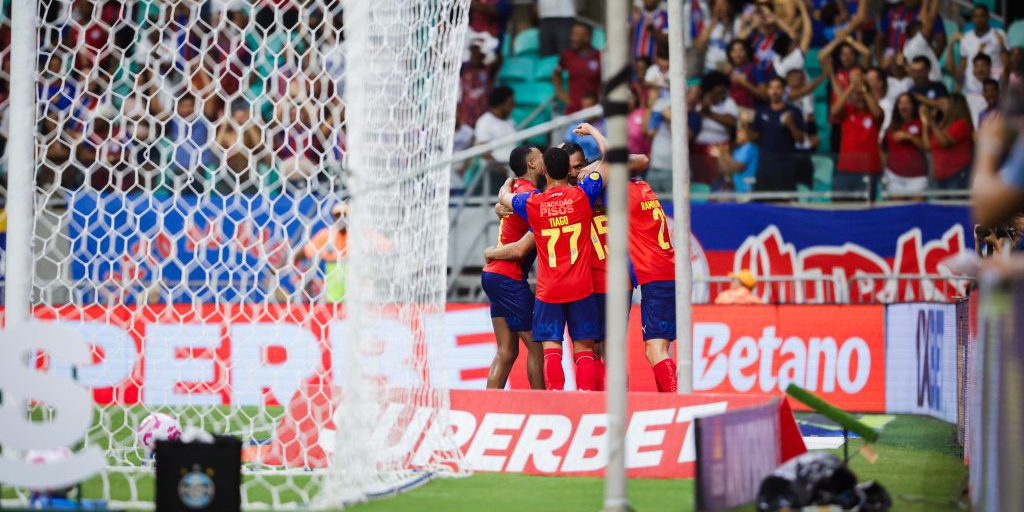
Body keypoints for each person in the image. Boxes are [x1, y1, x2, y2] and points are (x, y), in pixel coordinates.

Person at [497, 147, 605, 391]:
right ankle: (585, 397)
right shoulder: (582, 195)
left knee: (551, 349)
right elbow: (609, 160)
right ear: (569, 170)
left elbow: (505, 197)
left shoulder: (533, 202)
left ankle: (556, 396)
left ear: (544, 171)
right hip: (581, 286)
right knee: (585, 348)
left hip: (549, 289)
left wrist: (506, 185)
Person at [480, 146, 545, 391]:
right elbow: (519, 250)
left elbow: (505, 203)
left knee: (507, 351)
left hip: (493, 278)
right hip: (508, 276)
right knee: (537, 347)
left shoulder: (514, 189)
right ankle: (542, 407)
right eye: (541, 157)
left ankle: (489, 406)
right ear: (531, 163)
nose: (545, 161)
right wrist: (490, 252)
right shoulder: (530, 197)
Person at [626, 168, 680, 393]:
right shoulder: (644, 188)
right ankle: (668, 402)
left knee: (654, 350)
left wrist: (592, 131)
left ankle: (675, 401)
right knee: (662, 348)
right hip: (668, 270)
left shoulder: (623, 192)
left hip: (654, 275)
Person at [831, 70, 884, 197]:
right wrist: (851, 87)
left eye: (861, 93)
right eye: (856, 93)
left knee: (866, 211)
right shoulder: (847, 111)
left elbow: (877, 113)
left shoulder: (875, 112)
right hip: (845, 170)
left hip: (869, 170)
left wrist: (864, 89)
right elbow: (834, 111)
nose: (859, 96)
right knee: (842, 210)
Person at [749, 76, 804, 192]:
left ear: (784, 90)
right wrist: (744, 124)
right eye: (771, 88)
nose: (775, 91)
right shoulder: (761, 111)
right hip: (766, 163)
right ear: (767, 91)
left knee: (785, 202)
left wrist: (791, 125)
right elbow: (753, 137)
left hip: (786, 164)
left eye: (778, 88)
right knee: (762, 202)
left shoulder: (794, 111)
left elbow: (801, 140)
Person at [692, 71, 738, 187]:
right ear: (709, 91)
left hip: (720, 149)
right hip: (699, 151)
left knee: (718, 183)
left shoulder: (728, 102)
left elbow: (732, 121)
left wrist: (709, 113)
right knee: (701, 183)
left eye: (723, 92)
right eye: (717, 93)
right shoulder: (699, 103)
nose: (721, 95)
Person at [297, 203, 349, 303]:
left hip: (355, 275)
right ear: (334, 218)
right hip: (334, 277)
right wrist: (285, 263)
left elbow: (386, 247)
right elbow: (305, 251)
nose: (341, 219)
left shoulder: (361, 234)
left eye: (344, 215)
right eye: (338, 216)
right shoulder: (327, 234)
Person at [922, 93, 974, 190]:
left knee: (955, 205)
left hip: (956, 175)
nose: (940, 107)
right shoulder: (942, 126)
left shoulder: (962, 124)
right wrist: (926, 124)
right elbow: (927, 147)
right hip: (939, 176)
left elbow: (945, 143)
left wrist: (932, 123)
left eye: (945, 104)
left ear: (955, 107)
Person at [882, 93, 928, 196]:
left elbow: (926, 147)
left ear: (913, 106)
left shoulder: (921, 124)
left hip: (917, 176)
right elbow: (883, 151)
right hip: (894, 176)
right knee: (897, 210)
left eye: (907, 103)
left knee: (917, 209)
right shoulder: (891, 128)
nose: (904, 106)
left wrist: (911, 137)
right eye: (901, 103)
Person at [474, 85, 516, 193]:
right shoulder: (485, 121)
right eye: (510, 103)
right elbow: (484, 152)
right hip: (492, 172)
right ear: (501, 103)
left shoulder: (510, 122)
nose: (513, 106)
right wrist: (503, 170)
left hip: (509, 172)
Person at [955, 4, 1007, 91]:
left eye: (982, 16)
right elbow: (962, 65)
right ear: (972, 19)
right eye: (976, 16)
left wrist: (1002, 45)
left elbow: (1007, 63)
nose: (979, 19)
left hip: (994, 87)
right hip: (971, 87)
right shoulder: (966, 37)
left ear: (988, 17)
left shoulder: (1000, 34)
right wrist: (958, 88)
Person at [553, 21, 601, 115]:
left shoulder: (599, 56)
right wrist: (561, 93)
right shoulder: (567, 55)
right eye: (572, 34)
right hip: (573, 111)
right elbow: (556, 74)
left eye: (577, 35)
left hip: (594, 112)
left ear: (587, 37)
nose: (572, 38)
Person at [711, 122, 758, 192]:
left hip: (746, 188)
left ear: (749, 134)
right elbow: (728, 169)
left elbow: (738, 167)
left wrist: (722, 155)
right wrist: (721, 156)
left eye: (741, 133)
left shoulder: (749, 147)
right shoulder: (738, 149)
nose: (738, 135)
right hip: (737, 186)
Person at [631, 0, 669, 66]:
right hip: (637, 66)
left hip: (655, 65)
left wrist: (652, 30)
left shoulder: (663, 16)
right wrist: (633, 23)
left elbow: (667, 39)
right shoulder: (637, 15)